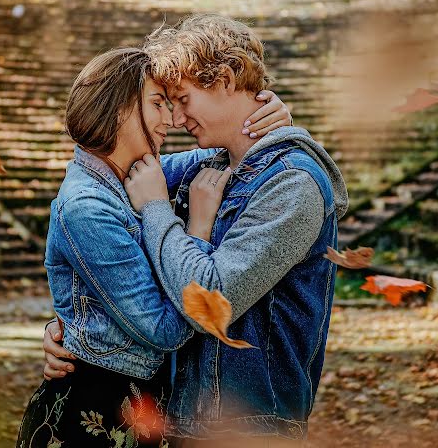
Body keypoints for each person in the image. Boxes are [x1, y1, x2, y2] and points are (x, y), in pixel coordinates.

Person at [45, 15, 349, 447]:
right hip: (179, 416)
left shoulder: (292, 183)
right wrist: (74, 324)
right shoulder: (210, 167)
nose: (177, 116)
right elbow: (100, 179)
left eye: (183, 99)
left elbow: (211, 300)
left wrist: (155, 208)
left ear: (224, 79)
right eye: (165, 102)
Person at [16, 46, 292, 448]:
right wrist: (197, 229)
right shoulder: (86, 207)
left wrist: (271, 116)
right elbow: (164, 330)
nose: (172, 119)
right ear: (118, 108)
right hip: (96, 417)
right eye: (158, 103)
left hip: (138, 410)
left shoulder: (135, 173)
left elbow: (228, 148)